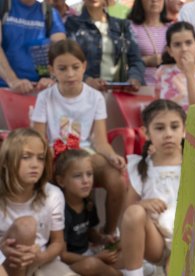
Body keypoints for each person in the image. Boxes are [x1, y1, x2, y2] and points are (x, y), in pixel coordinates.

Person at [31, 39, 127, 238]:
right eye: (62, 68)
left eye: (75, 67)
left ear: (84, 66)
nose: (70, 74)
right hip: (54, 153)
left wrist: (112, 156)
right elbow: (38, 139)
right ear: (52, 70)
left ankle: (107, 233)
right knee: (37, 176)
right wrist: (44, 159)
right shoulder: (45, 97)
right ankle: (48, 236)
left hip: (85, 154)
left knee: (116, 179)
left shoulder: (95, 97)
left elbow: (100, 141)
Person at [120, 99, 186, 276]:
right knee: (134, 212)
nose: (168, 134)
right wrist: (142, 205)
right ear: (146, 133)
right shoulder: (140, 167)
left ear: (184, 130)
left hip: (188, 240)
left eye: (174, 127)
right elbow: (127, 214)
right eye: (159, 128)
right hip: (156, 242)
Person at [0, 128, 76, 276]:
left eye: (40, 158)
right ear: (7, 161)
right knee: (25, 226)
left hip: (42, 260)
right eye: (26, 156)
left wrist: (39, 257)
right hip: (5, 262)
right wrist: (3, 250)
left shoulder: (53, 194)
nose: (35, 164)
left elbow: (58, 243)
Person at [54, 149, 121, 276]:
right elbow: (62, 255)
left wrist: (102, 239)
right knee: (91, 265)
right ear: (61, 181)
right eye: (78, 176)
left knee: (121, 245)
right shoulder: (60, 211)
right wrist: (97, 259)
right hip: (69, 263)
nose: (86, 180)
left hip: (88, 253)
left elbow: (88, 232)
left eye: (89, 174)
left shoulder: (87, 203)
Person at [65, 0, 145, 92]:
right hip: (85, 92)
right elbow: (68, 60)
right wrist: (87, 80)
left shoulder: (122, 25)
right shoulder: (72, 24)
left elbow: (136, 60)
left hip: (118, 92)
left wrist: (135, 78)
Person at [0, 0, 66, 94]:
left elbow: (61, 51)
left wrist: (49, 77)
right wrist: (13, 80)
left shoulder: (49, 12)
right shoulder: (3, 5)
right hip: (4, 88)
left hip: (37, 89)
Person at [155, 21, 195, 111]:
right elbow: (157, 107)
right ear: (170, 50)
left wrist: (189, 74)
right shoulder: (162, 72)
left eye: (188, 43)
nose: (184, 49)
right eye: (177, 45)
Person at [128, 0, 170, 85]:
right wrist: (146, 61)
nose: (154, 1)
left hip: (168, 88)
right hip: (141, 86)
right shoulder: (130, 28)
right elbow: (123, 61)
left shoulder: (171, 28)